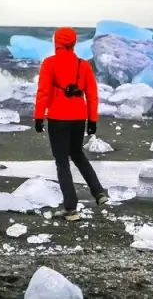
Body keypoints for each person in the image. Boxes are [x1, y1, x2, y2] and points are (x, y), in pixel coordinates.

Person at [33, 27, 109, 221]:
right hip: (79, 118)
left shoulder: (49, 63)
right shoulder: (83, 65)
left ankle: (70, 208)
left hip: (58, 118)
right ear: (73, 43)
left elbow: (43, 92)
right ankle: (99, 192)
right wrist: (92, 120)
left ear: (56, 42)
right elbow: (92, 95)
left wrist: (39, 117)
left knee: (62, 162)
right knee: (78, 155)